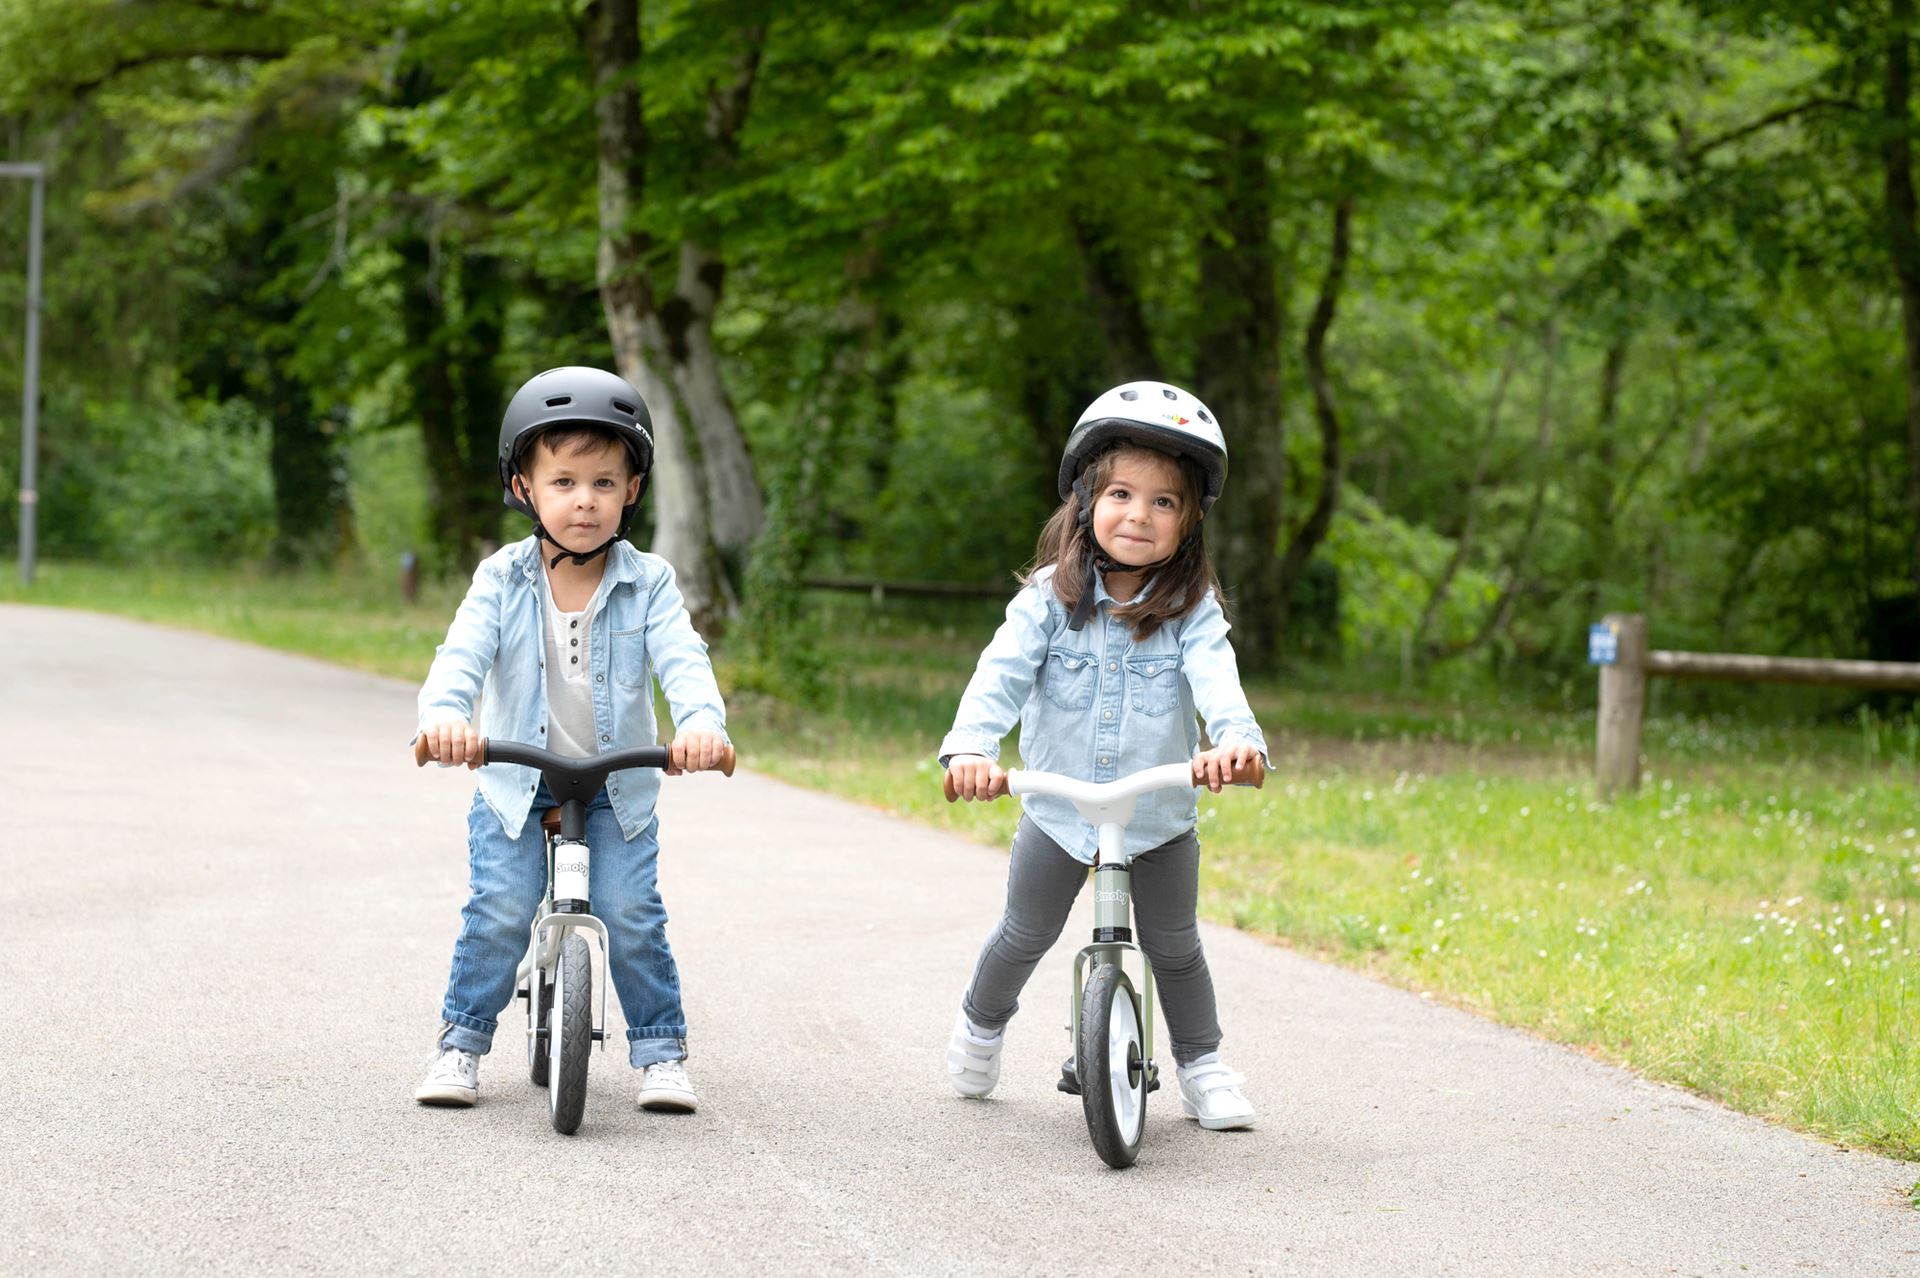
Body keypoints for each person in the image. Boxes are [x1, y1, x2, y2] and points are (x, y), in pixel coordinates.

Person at [939, 380, 1269, 1131]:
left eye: (1163, 502)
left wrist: (1238, 743)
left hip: (1156, 816)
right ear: (1086, 499)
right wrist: (969, 749)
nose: (1139, 515)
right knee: (1024, 931)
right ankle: (981, 1028)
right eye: (1122, 493)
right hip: (1060, 808)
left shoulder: (1192, 613)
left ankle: (1204, 1066)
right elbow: (998, 679)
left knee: (1176, 948)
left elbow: (1219, 680)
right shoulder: (1045, 603)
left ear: (1190, 521)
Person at [412, 365, 729, 1113]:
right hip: (518, 781)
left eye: (604, 483)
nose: (584, 500)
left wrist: (702, 727)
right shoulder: (500, 578)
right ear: (524, 487)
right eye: (563, 481)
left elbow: (685, 660)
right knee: (497, 909)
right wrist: (446, 718)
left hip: (618, 784)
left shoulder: (649, 583)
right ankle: (459, 1044)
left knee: (630, 914)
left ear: (632, 491)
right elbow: (459, 657)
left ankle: (659, 1052)